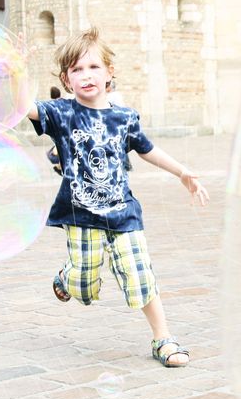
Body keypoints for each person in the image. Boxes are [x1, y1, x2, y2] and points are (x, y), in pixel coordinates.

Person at [26, 27, 209, 368]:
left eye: (94, 67)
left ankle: (163, 339)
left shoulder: (124, 117)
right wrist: (11, 76)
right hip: (81, 217)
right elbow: (22, 108)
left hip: (124, 215)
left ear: (110, 73)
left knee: (140, 275)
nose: (86, 75)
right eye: (76, 70)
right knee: (83, 288)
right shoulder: (62, 113)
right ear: (66, 80)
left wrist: (182, 172)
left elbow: (147, 150)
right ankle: (67, 278)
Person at [46, 86, 63, 175]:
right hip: (63, 129)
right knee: (60, 150)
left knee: (58, 149)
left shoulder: (50, 104)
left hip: (56, 130)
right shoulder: (63, 103)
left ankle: (59, 167)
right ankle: (60, 167)